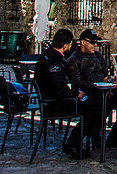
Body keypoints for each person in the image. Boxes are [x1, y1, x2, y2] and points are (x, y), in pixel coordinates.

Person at [34, 28, 85, 157]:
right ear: (65, 45)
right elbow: (58, 89)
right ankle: (73, 144)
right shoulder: (53, 61)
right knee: (91, 109)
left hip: (48, 101)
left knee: (91, 106)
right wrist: (76, 94)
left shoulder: (48, 55)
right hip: (53, 104)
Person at [67, 29, 117, 151]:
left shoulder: (97, 55)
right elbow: (77, 82)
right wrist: (96, 86)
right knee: (95, 109)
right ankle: (82, 139)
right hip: (87, 94)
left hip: (103, 91)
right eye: (92, 42)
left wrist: (106, 84)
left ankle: (112, 138)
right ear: (82, 42)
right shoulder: (74, 60)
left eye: (96, 42)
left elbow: (105, 70)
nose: (95, 45)